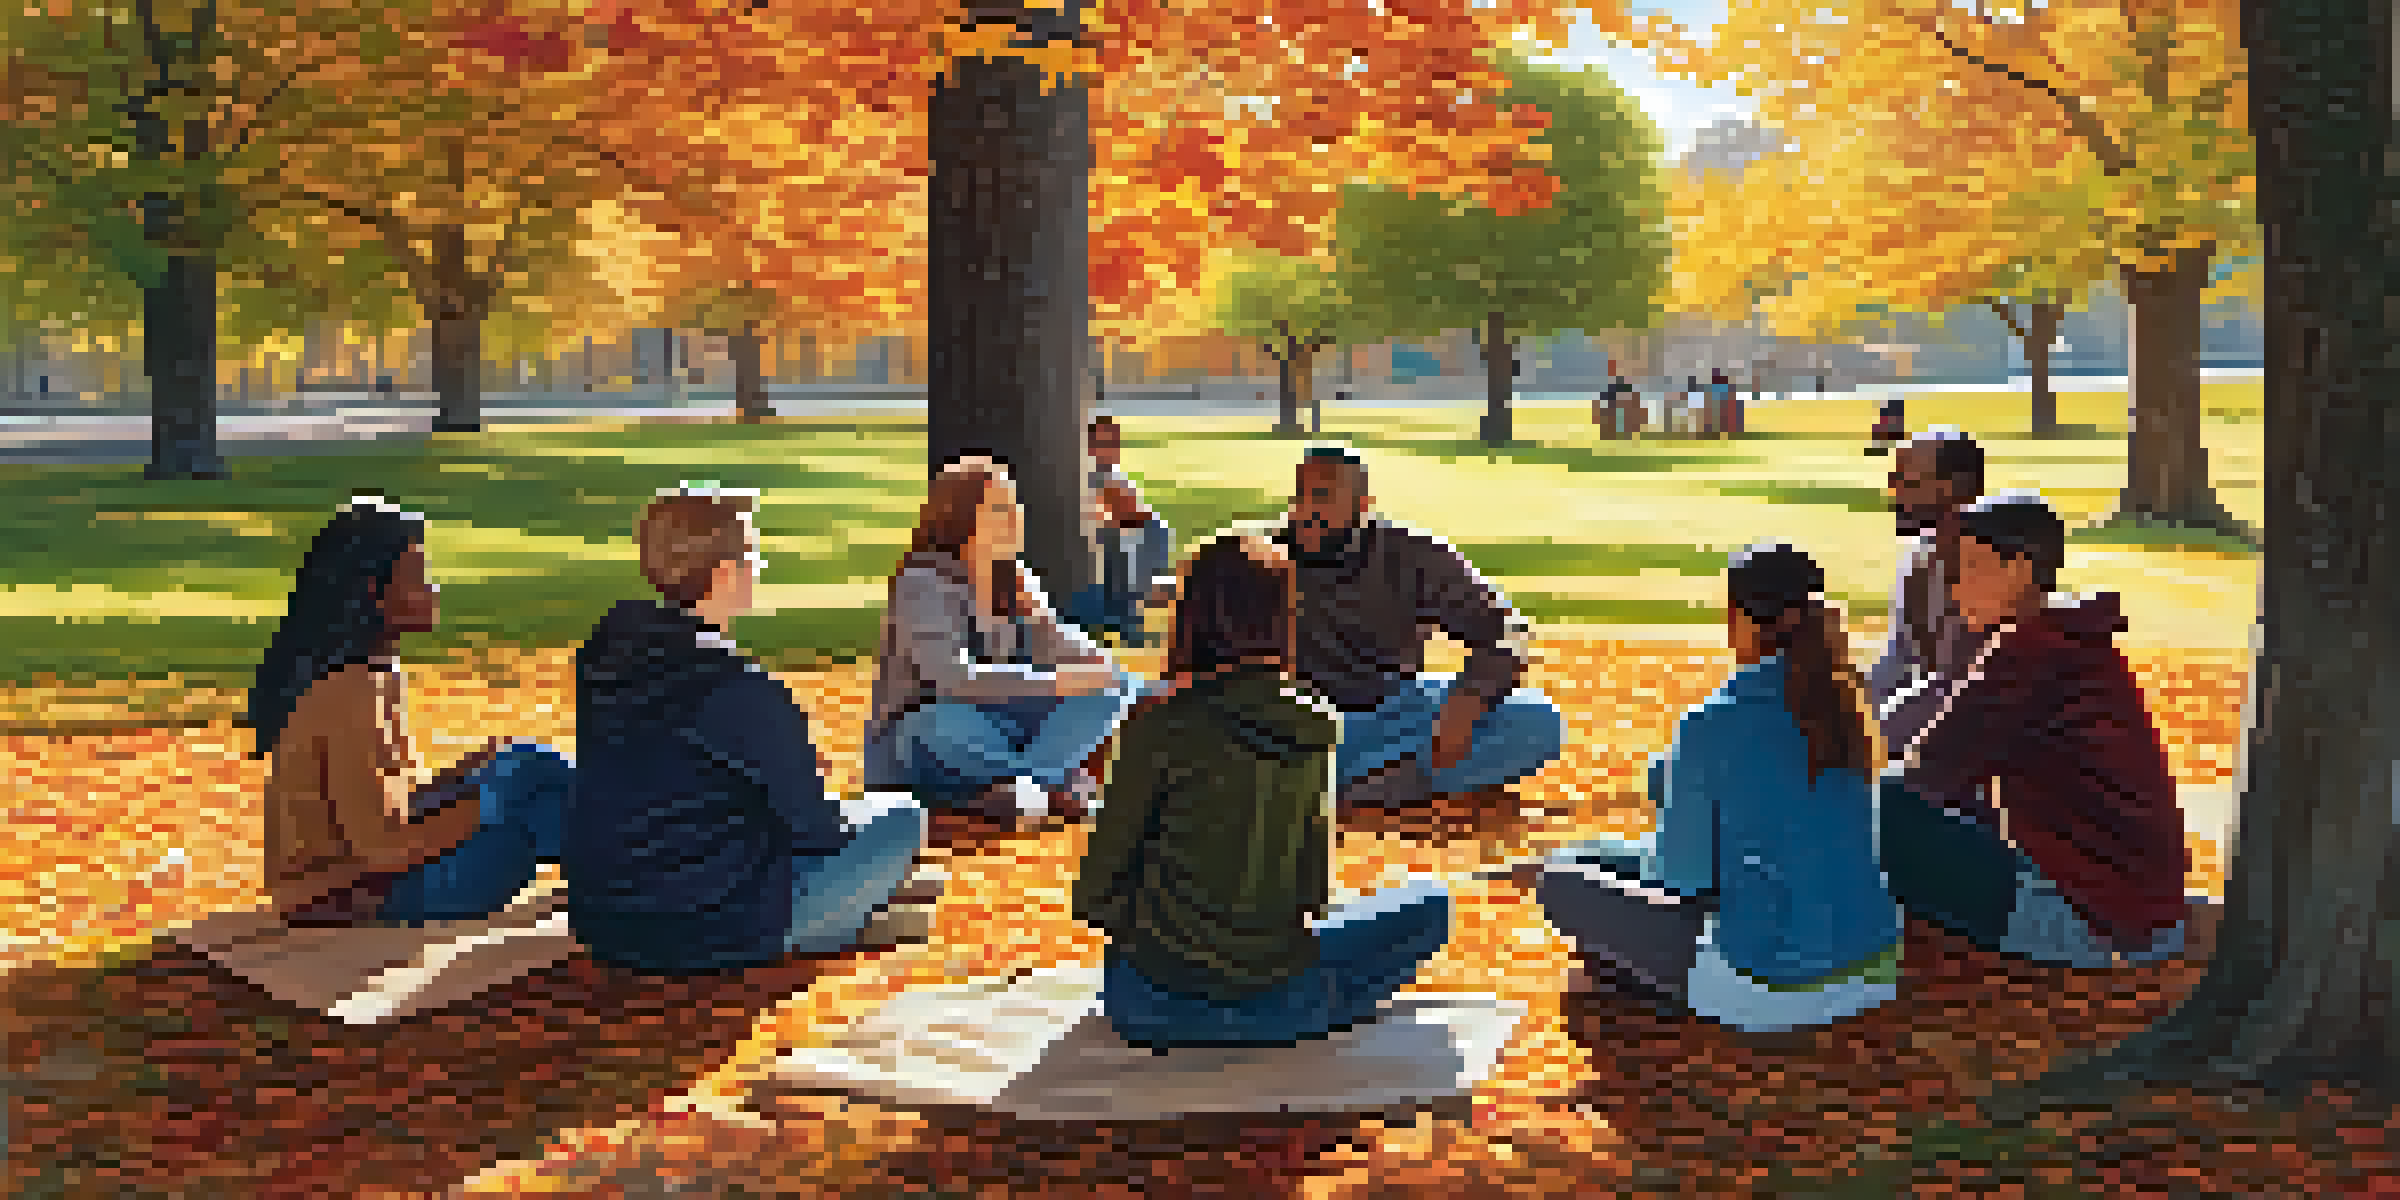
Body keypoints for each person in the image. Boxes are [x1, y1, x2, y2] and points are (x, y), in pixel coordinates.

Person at [1074, 532, 1453, 1049]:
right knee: (1429, 905)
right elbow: (1312, 893)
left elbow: (1096, 891)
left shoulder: (1158, 723)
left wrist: (1168, 940)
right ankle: (1300, 1006)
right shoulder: (1319, 723)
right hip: (1278, 995)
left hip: (1147, 1004)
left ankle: (1257, 1009)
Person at [1528, 543, 1901, 1033]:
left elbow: (1681, 879)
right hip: (1873, 969)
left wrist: (1663, 789)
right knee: (1596, 857)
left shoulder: (1713, 722)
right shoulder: (1847, 705)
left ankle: (1651, 983)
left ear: (1741, 619)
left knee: (1558, 881)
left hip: (1771, 988)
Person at [570, 484, 930, 972]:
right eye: (753, 555)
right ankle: (849, 919)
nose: (758, 570)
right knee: (901, 815)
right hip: (714, 925)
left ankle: (855, 909)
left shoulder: (601, 660)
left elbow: (672, 772)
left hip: (605, 923)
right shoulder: (737, 685)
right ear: (725, 574)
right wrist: (802, 775)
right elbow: (818, 830)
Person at [1878, 494, 2194, 967]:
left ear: (2021, 569)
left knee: (1873, 805)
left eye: (1971, 568)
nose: (1955, 588)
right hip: (2141, 914)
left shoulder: (2031, 650)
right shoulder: (2071, 639)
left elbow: (1928, 775)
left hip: (2093, 923)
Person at [254, 496, 575, 928]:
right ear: (376, 594)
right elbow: (381, 848)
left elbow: (390, 808)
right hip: (354, 899)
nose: (433, 590)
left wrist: (462, 778)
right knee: (528, 782)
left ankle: (633, 863)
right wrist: (491, 801)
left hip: (380, 880)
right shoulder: (348, 693)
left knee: (523, 770)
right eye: (418, 578)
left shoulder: (379, 675)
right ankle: (643, 866)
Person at [1270, 445, 1565, 812]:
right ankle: (1374, 783)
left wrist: (1469, 698)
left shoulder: (1412, 555)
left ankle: (1372, 786)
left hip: (1394, 712)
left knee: (1537, 721)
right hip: (1295, 722)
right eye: (1299, 494)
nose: (1305, 509)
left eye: (1322, 496)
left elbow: (1505, 630)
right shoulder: (1259, 556)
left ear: (1363, 505)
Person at [862, 454, 1140, 821]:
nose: (1015, 518)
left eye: (1014, 505)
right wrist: (1057, 683)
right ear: (960, 518)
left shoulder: (1014, 577)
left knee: (1111, 687)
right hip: (929, 730)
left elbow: (1054, 641)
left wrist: (1102, 671)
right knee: (935, 725)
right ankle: (1052, 785)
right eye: (999, 508)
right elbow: (951, 679)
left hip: (998, 725)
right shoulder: (922, 583)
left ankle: (1021, 790)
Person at [1866, 428, 1985, 768]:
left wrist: (1864, 728)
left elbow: (1961, 691)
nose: (1893, 489)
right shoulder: (1922, 556)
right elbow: (1897, 663)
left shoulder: (1989, 569)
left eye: (1907, 479)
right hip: (1925, 722)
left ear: (1951, 488)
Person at [1062, 413, 1177, 648]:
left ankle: (1133, 613)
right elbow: (1101, 513)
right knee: (1131, 565)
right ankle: (1128, 620)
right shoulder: (1093, 476)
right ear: (1089, 445)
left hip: (1141, 536)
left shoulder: (1111, 473)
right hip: (1124, 536)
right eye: (1103, 443)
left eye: (1114, 442)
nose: (1111, 448)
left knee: (1143, 571)